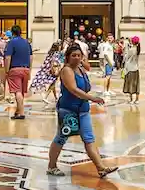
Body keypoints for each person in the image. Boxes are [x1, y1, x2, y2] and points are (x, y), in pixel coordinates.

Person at [46, 44, 117, 178]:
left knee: (89, 139)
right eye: (74, 55)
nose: (77, 58)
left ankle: (101, 168)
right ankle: (51, 166)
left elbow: (86, 86)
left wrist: (84, 64)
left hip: (83, 109)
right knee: (61, 137)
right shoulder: (66, 70)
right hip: (68, 110)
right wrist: (92, 98)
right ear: (67, 57)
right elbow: (73, 89)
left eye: (79, 55)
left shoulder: (81, 69)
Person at [2, 25, 33, 119]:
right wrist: (29, 70)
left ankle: (21, 113)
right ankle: (18, 111)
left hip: (15, 69)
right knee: (22, 92)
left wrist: (6, 70)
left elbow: (8, 57)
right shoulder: (27, 42)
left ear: (12, 33)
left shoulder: (11, 42)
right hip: (26, 69)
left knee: (17, 91)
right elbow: (31, 57)